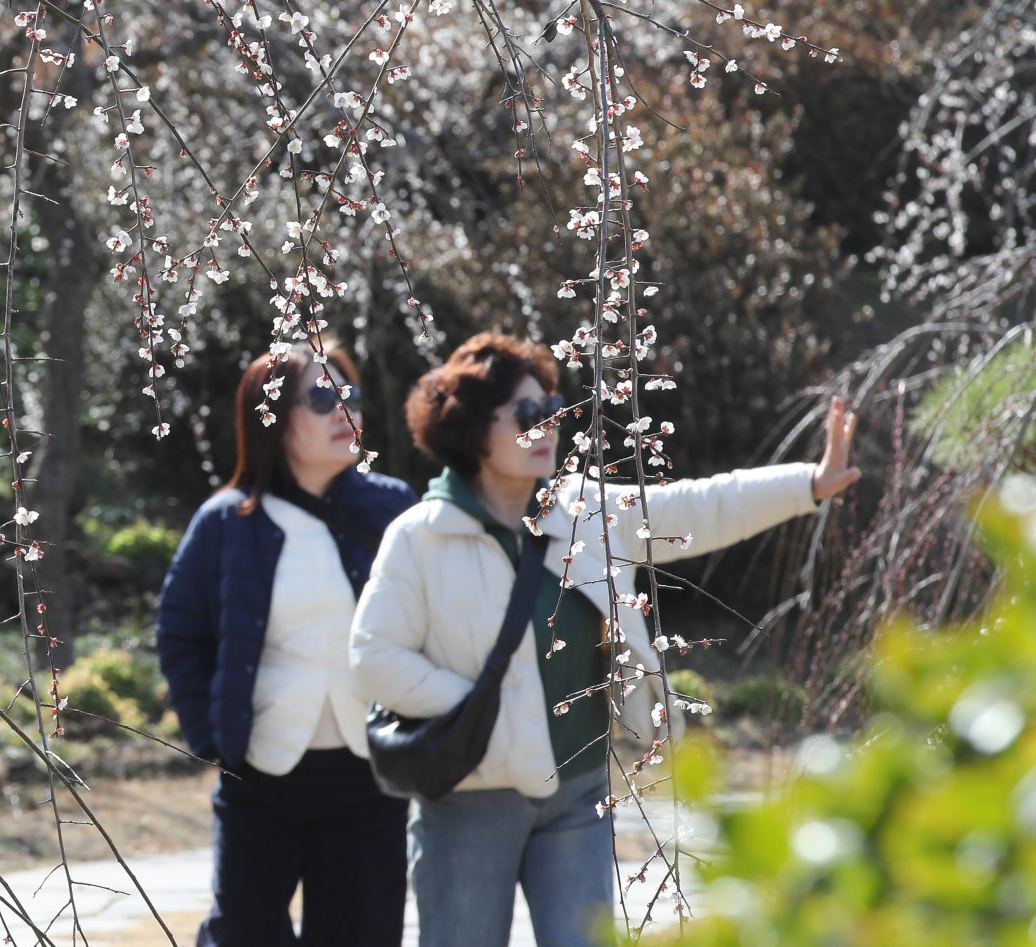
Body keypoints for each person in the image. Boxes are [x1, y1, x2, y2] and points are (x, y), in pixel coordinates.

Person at [348, 331, 861, 947]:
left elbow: (693, 510)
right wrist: (474, 706)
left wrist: (811, 482)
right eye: (528, 414)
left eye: (554, 411)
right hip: (468, 801)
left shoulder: (580, 513)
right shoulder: (419, 537)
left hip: (578, 793)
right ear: (471, 429)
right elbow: (374, 656)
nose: (549, 427)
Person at [157, 341, 418, 946]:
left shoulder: (394, 509)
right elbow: (180, 631)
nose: (342, 411)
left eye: (349, 395)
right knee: (244, 933)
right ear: (268, 415)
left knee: (362, 933)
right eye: (322, 398)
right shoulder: (227, 521)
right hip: (261, 773)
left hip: (368, 775)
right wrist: (211, 737)